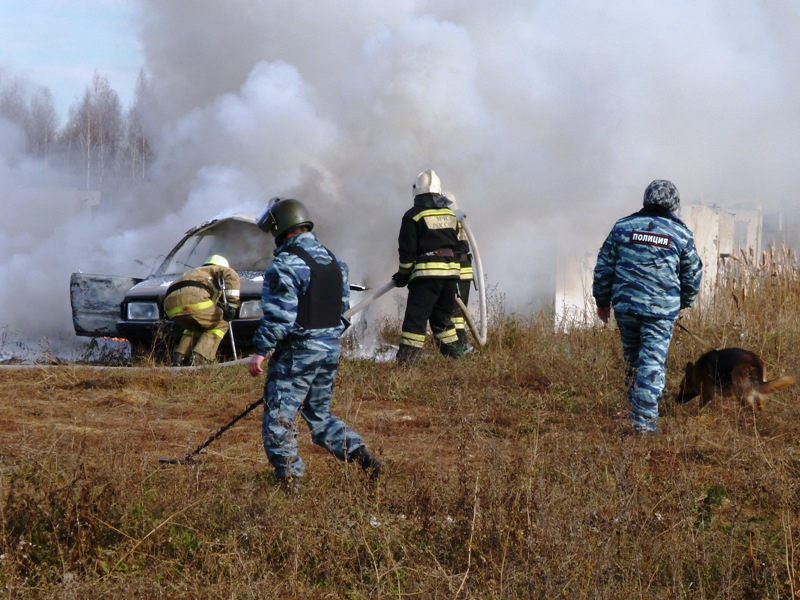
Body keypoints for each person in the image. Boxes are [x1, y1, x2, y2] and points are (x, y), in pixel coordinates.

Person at [248, 197, 383, 490]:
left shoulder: (284, 266)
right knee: (319, 416)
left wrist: (260, 351)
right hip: (329, 350)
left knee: (279, 417)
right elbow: (342, 311)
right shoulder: (335, 263)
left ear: (281, 228)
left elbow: (280, 318)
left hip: (298, 353)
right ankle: (362, 456)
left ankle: (290, 481)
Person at [592, 179, 703, 434]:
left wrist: (602, 302)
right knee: (651, 363)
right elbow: (692, 276)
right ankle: (643, 425)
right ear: (674, 204)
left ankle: (637, 412)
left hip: (626, 308)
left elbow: (603, 268)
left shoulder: (623, 227)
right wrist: (681, 304)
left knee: (633, 360)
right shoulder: (681, 234)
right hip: (660, 311)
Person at [392, 170, 465, 365]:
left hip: (427, 276)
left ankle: (407, 363)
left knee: (416, 318)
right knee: (442, 319)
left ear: (417, 192)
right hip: (450, 274)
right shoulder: (450, 215)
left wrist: (403, 275)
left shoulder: (413, 216)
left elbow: (407, 251)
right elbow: (457, 244)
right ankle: (455, 357)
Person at [163, 254, 240, 366]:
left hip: (170, 307)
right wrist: (232, 304)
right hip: (194, 302)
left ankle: (179, 357)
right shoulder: (218, 269)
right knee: (221, 321)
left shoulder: (194, 272)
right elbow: (231, 274)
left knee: (196, 326)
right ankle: (201, 358)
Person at [443, 191, 474, 349]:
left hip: (456, 270)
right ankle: (460, 345)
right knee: (457, 311)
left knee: (454, 311)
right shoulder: (458, 218)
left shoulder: (449, 220)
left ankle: (459, 346)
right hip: (464, 270)